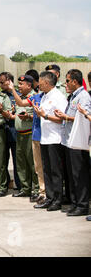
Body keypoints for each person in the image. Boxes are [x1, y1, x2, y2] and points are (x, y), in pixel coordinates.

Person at [53, 69, 90, 216]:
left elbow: (85, 118)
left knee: (79, 175)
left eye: (67, 81)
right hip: (69, 141)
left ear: (75, 81)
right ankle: (75, 203)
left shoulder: (83, 97)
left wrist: (66, 117)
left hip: (78, 141)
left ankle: (82, 204)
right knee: (72, 175)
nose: (65, 83)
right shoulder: (73, 96)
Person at [5, 76, 46, 204]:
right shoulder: (21, 97)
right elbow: (18, 108)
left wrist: (28, 116)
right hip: (19, 134)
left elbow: (40, 114)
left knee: (33, 164)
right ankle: (25, 188)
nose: (19, 86)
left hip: (29, 134)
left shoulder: (35, 96)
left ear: (29, 85)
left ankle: (35, 189)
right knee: (21, 163)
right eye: (18, 84)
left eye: (21, 84)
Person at [32, 71, 68, 211]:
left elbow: (62, 119)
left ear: (47, 83)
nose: (39, 85)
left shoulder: (59, 97)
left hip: (55, 139)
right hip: (45, 139)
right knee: (46, 170)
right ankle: (50, 197)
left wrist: (45, 116)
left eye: (40, 83)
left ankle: (57, 200)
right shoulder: (45, 97)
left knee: (55, 171)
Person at [0, 72, 21, 192]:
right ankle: (4, 185)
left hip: (15, 131)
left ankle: (19, 185)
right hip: (2, 131)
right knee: (2, 161)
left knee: (18, 161)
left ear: (9, 81)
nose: (0, 85)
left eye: (2, 82)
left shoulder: (18, 94)